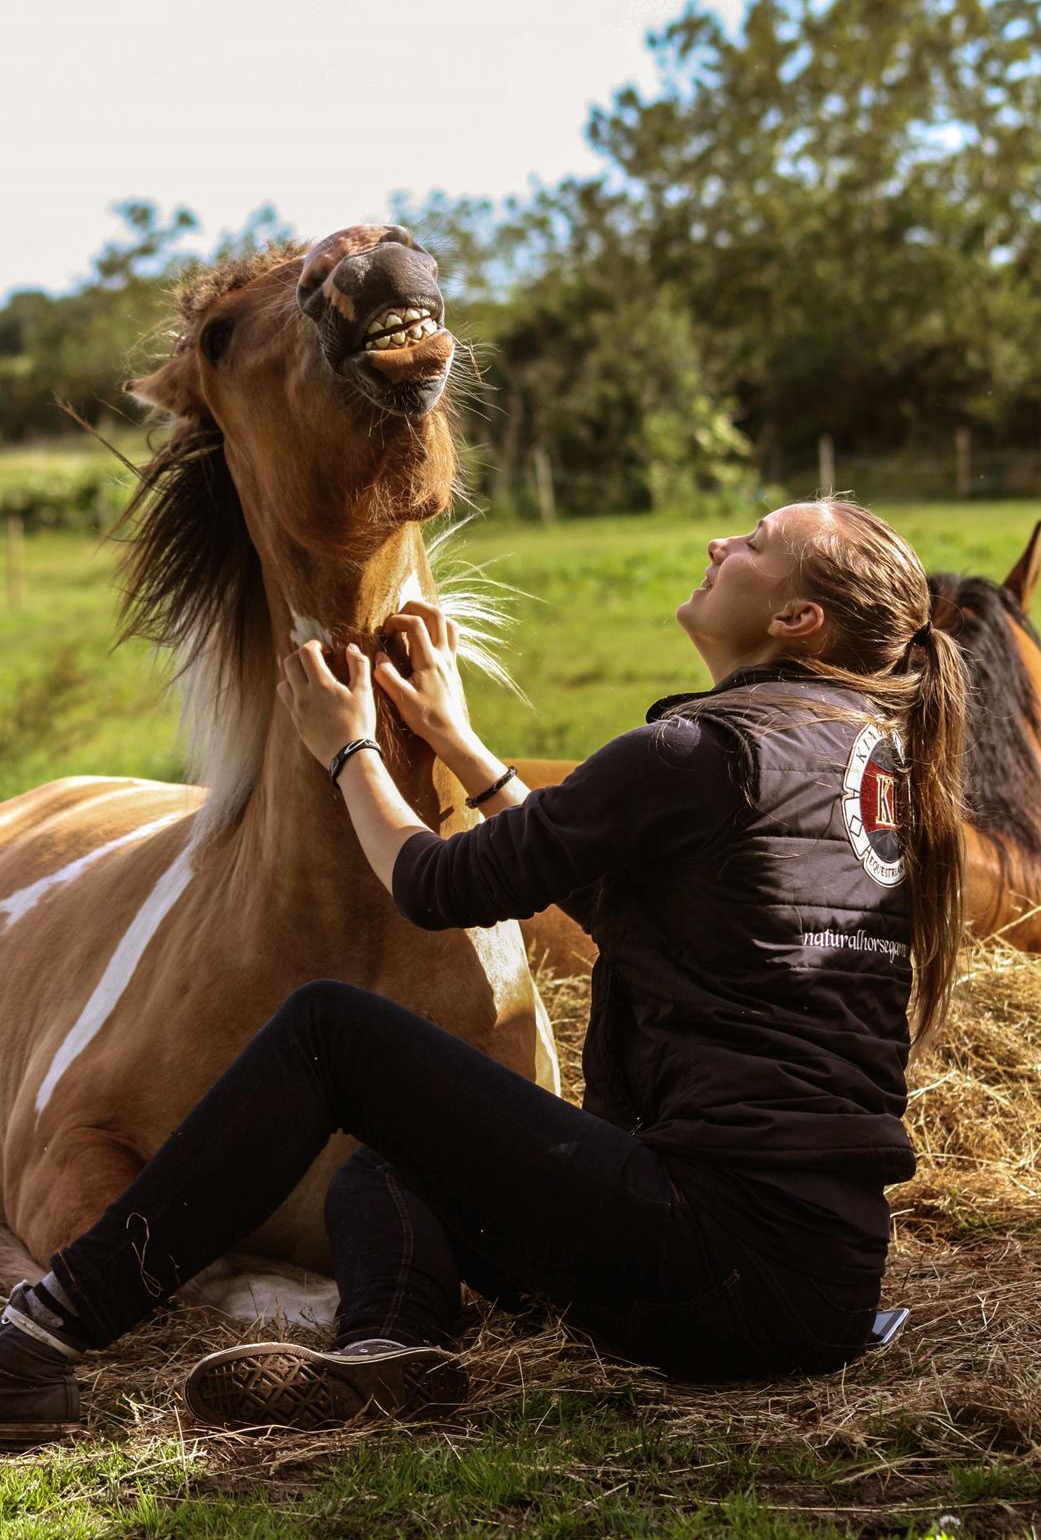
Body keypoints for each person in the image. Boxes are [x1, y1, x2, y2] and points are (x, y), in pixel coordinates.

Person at [0, 498, 966, 1443]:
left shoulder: (698, 753)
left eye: (755, 544)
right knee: (397, 1153)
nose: (721, 541)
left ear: (796, 620)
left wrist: (350, 750)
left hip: (704, 1262)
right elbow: (622, 907)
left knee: (329, 1030)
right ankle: (388, 1354)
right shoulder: (863, 767)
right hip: (823, 1285)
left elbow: (432, 882)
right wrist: (460, 744)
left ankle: (41, 1337)